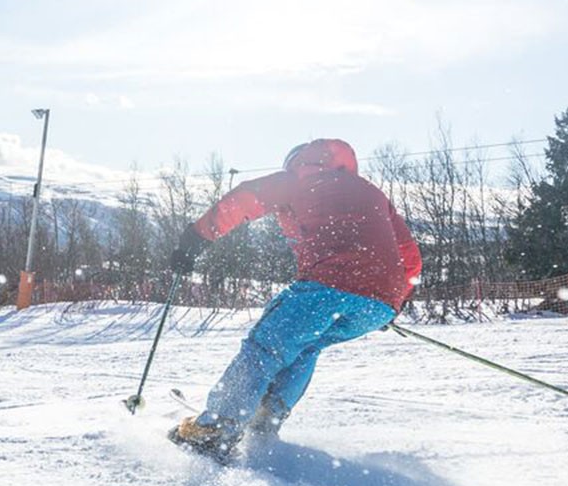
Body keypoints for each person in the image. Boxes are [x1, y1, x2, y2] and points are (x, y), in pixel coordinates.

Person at [167, 138, 422, 460]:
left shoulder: (299, 178)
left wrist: (196, 237)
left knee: (265, 348)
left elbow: (245, 199)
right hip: (381, 302)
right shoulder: (372, 192)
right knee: (306, 345)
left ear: (297, 161)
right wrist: (388, 300)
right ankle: (264, 420)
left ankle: (217, 427)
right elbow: (410, 256)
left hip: (327, 286)